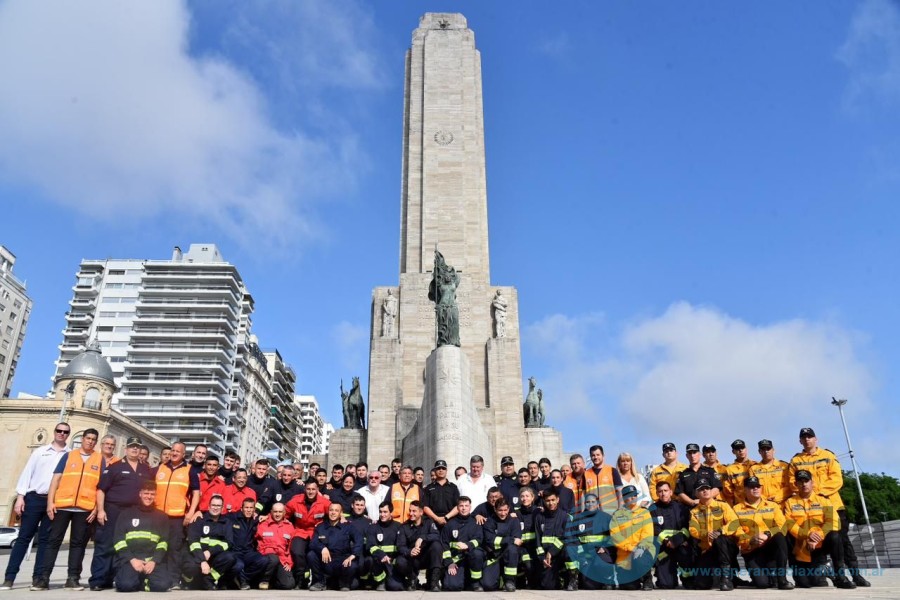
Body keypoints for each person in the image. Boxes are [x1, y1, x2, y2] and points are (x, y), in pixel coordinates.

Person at [789, 427, 869, 587]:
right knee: (812, 540)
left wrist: (816, 492)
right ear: (800, 441)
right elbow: (792, 482)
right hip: (808, 510)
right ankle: (823, 571)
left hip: (832, 505)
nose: (807, 440)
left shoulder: (828, 456)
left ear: (816, 439)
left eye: (809, 437)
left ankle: (855, 575)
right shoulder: (796, 461)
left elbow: (837, 479)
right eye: (803, 438)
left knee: (842, 541)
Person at [1, 422, 70, 591]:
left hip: (53, 502)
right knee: (23, 538)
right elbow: (27, 473)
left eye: (65, 432)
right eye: (59, 430)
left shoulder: (70, 455)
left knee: (45, 541)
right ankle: (9, 578)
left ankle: (37, 578)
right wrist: (20, 497)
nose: (62, 433)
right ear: (54, 432)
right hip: (34, 498)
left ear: (68, 435)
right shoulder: (40, 452)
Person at [36, 428, 103, 591]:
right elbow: (55, 480)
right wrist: (50, 503)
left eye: (94, 439)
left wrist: (96, 508)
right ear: (82, 439)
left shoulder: (99, 459)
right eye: (88, 438)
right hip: (63, 506)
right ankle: (43, 578)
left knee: (78, 544)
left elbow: (101, 486)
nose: (90, 441)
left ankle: (72, 578)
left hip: (85, 508)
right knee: (53, 542)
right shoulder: (68, 455)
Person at [90, 436, 153, 591]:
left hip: (134, 513)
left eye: (137, 447)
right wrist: (101, 510)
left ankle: (115, 577)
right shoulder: (115, 467)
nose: (135, 449)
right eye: (132, 446)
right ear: (126, 449)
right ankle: (98, 579)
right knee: (106, 544)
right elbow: (101, 490)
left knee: (126, 546)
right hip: (113, 510)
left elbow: (150, 491)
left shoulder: (145, 469)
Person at [782, 469, 856, 588]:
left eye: (806, 481)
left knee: (835, 536)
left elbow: (834, 521)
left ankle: (840, 576)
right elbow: (789, 524)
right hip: (802, 547)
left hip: (820, 544)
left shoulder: (823, 500)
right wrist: (807, 535)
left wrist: (818, 536)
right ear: (796, 484)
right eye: (800, 482)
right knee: (806, 584)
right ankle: (824, 568)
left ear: (812, 482)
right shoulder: (790, 502)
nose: (804, 484)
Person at [153, 440, 200, 590]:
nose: (174, 453)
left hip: (178, 517)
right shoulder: (160, 468)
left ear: (183, 454)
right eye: (172, 450)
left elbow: (196, 493)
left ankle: (174, 580)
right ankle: (155, 576)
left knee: (174, 548)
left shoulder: (189, 470)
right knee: (158, 547)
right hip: (159, 515)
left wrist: (191, 512)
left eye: (177, 451)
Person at [732, 476, 793, 589]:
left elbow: (782, 525)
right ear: (744, 489)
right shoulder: (736, 509)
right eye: (751, 487)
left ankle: (782, 580)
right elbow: (736, 531)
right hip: (752, 550)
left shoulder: (773, 506)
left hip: (770, 548)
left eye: (758, 486)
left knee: (780, 536)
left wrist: (767, 534)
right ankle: (765, 575)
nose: (755, 489)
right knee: (762, 584)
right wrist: (750, 540)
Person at [112, 480, 170, 592]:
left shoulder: (162, 516)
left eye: (152, 494)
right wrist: (132, 560)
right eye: (146, 493)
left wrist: (154, 561)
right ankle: (133, 578)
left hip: (151, 560)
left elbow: (163, 542)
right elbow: (118, 540)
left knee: (163, 585)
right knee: (125, 585)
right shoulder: (126, 514)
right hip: (132, 559)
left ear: (155, 495)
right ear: (140, 494)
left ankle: (141, 580)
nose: (149, 497)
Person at [688, 478, 740, 591]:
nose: (705, 491)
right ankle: (721, 577)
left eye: (707, 488)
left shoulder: (723, 506)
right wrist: (706, 534)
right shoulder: (694, 512)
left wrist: (721, 531)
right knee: (701, 585)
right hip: (709, 549)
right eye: (701, 489)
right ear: (696, 494)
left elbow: (734, 523)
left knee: (720, 538)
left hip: (726, 547)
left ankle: (726, 578)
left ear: (711, 491)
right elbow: (693, 530)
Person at [183, 494, 238, 590]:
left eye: (218, 506)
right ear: (208, 506)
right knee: (191, 567)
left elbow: (228, 543)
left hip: (214, 555)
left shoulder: (226, 522)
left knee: (230, 557)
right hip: (198, 554)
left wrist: (210, 552)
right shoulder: (199, 520)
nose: (215, 508)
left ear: (222, 508)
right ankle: (189, 582)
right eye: (213, 505)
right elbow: (193, 542)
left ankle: (209, 579)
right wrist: (202, 560)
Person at [285, 478, 331, 588]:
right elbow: (282, 513)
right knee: (297, 552)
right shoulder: (295, 501)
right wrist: (267, 517)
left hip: (317, 533)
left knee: (314, 554)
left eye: (313, 489)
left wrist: (343, 519)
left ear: (317, 490)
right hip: (300, 531)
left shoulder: (324, 502)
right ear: (304, 489)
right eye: (308, 489)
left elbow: (335, 512)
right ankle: (301, 579)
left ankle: (319, 579)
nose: (310, 491)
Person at [307, 502, 363, 591]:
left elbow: (359, 540)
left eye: (336, 511)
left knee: (352, 567)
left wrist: (353, 556)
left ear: (341, 513)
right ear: (328, 512)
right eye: (331, 510)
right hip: (326, 561)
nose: (333, 513)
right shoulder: (320, 527)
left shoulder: (348, 526)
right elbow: (313, 542)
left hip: (342, 561)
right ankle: (320, 582)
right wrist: (323, 548)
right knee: (311, 555)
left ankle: (343, 583)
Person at [609, 485, 655, 590]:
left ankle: (647, 578)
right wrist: (631, 548)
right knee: (629, 587)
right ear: (624, 498)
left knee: (640, 560)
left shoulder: (644, 513)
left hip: (642, 552)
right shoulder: (617, 515)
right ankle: (636, 579)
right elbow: (615, 536)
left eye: (635, 495)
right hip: (624, 556)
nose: (633, 498)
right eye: (630, 496)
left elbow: (647, 534)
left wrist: (640, 547)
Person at [565, 493, 613, 590]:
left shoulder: (607, 518)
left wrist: (605, 547)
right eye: (587, 502)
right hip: (584, 555)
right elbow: (572, 538)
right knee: (589, 586)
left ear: (598, 503)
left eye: (593, 502)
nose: (590, 504)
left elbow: (613, 537)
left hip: (601, 553)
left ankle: (607, 579)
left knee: (602, 563)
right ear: (584, 504)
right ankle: (576, 579)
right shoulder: (578, 519)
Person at [651, 481, 692, 590]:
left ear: (671, 492)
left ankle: (686, 578)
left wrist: (677, 541)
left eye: (665, 491)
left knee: (686, 552)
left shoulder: (681, 507)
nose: (663, 494)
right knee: (666, 585)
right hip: (664, 548)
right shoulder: (653, 509)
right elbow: (654, 528)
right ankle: (662, 575)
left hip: (680, 544)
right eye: (660, 491)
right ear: (656, 493)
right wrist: (666, 541)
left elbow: (686, 527)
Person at [534, 488, 576, 591]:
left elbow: (566, 537)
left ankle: (573, 579)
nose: (550, 503)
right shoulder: (539, 517)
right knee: (548, 586)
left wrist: (551, 552)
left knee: (569, 549)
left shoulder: (565, 517)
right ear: (544, 501)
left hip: (561, 553)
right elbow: (538, 540)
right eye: (548, 501)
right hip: (548, 558)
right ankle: (559, 579)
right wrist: (542, 557)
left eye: (553, 500)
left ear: (558, 500)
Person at [440, 496, 485, 591]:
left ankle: (475, 583)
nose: (464, 508)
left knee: (478, 553)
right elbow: (444, 545)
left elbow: (479, 540)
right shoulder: (450, 524)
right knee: (452, 586)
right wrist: (449, 563)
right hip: (456, 561)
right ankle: (462, 580)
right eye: (461, 506)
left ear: (470, 507)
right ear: (457, 508)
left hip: (471, 559)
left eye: (466, 505)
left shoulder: (476, 523)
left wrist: (468, 545)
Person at [395, 500, 441, 591]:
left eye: (414, 511)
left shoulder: (428, 522)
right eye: (410, 510)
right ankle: (413, 580)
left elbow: (436, 535)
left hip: (426, 557)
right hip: (413, 559)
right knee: (400, 561)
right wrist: (409, 552)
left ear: (421, 512)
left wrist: (422, 538)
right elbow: (400, 546)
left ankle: (434, 582)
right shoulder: (404, 526)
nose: (411, 513)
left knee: (437, 545)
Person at [482, 498, 522, 591]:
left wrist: (502, 541)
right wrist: (510, 540)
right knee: (488, 586)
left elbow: (517, 539)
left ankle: (509, 581)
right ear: (495, 509)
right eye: (500, 510)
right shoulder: (489, 522)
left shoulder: (514, 521)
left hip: (509, 555)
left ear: (508, 509)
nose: (503, 513)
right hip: (494, 555)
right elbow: (490, 540)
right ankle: (498, 580)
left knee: (512, 549)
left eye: (505, 510)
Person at [254, 502, 296, 590]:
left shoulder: (289, 526)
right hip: (266, 558)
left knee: (289, 584)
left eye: (280, 512)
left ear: (284, 513)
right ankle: (264, 580)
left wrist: (289, 562)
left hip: (282, 559)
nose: (277, 514)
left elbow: (290, 547)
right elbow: (255, 542)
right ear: (271, 512)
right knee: (273, 559)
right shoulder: (262, 524)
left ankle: (272, 582)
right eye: (275, 511)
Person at [365, 501, 404, 591]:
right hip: (379, 562)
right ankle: (380, 581)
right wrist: (382, 555)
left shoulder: (398, 527)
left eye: (385, 512)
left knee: (396, 587)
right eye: (380, 512)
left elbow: (401, 546)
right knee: (370, 559)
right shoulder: (373, 527)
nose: (382, 514)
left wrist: (392, 560)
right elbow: (371, 546)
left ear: (391, 512)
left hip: (392, 563)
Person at [227, 498, 265, 591]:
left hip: (248, 552)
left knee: (263, 560)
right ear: (242, 508)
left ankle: (243, 579)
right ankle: (242, 582)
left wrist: (267, 516)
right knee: (239, 565)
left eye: (251, 508)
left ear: (254, 510)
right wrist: (199, 513)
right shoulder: (233, 517)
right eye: (246, 507)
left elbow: (275, 515)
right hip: (235, 552)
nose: (248, 510)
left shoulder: (255, 520)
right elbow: (217, 515)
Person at [749, 439, 791, 505]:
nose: (766, 451)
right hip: (763, 506)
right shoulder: (753, 469)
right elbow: (752, 488)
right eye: (763, 449)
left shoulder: (784, 466)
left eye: (768, 449)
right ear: (759, 451)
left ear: (773, 450)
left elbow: (789, 486)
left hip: (782, 505)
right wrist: (764, 500)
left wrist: (776, 498)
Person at [584, 445, 623, 513]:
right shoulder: (586, 474)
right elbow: (583, 495)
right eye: (593, 455)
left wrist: (620, 509)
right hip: (592, 513)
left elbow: (620, 492)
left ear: (603, 455)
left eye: (598, 455)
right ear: (590, 457)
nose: (595, 457)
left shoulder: (612, 471)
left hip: (611, 512)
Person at [515, 487, 541, 590]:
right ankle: (522, 583)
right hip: (523, 547)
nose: (524, 498)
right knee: (527, 564)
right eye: (522, 496)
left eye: (527, 496)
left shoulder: (539, 511)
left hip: (536, 545)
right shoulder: (516, 513)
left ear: (532, 497)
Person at [422, 459, 459, 527]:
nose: (441, 470)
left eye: (443, 468)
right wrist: (437, 519)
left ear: (446, 471)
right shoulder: (428, 488)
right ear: (435, 471)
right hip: (432, 522)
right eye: (438, 468)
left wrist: (446, 517)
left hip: (450, 521)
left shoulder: (453, 487)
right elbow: (425, 507)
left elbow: (457, 506)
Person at [723, 439, 756, 506]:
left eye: (742, 448)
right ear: (733, 452)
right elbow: (728, 489)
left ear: (746, 449)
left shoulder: (756, 465)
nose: (740, 450)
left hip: (757, 503)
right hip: (740, 504)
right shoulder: (729, 469)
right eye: (737, 449)